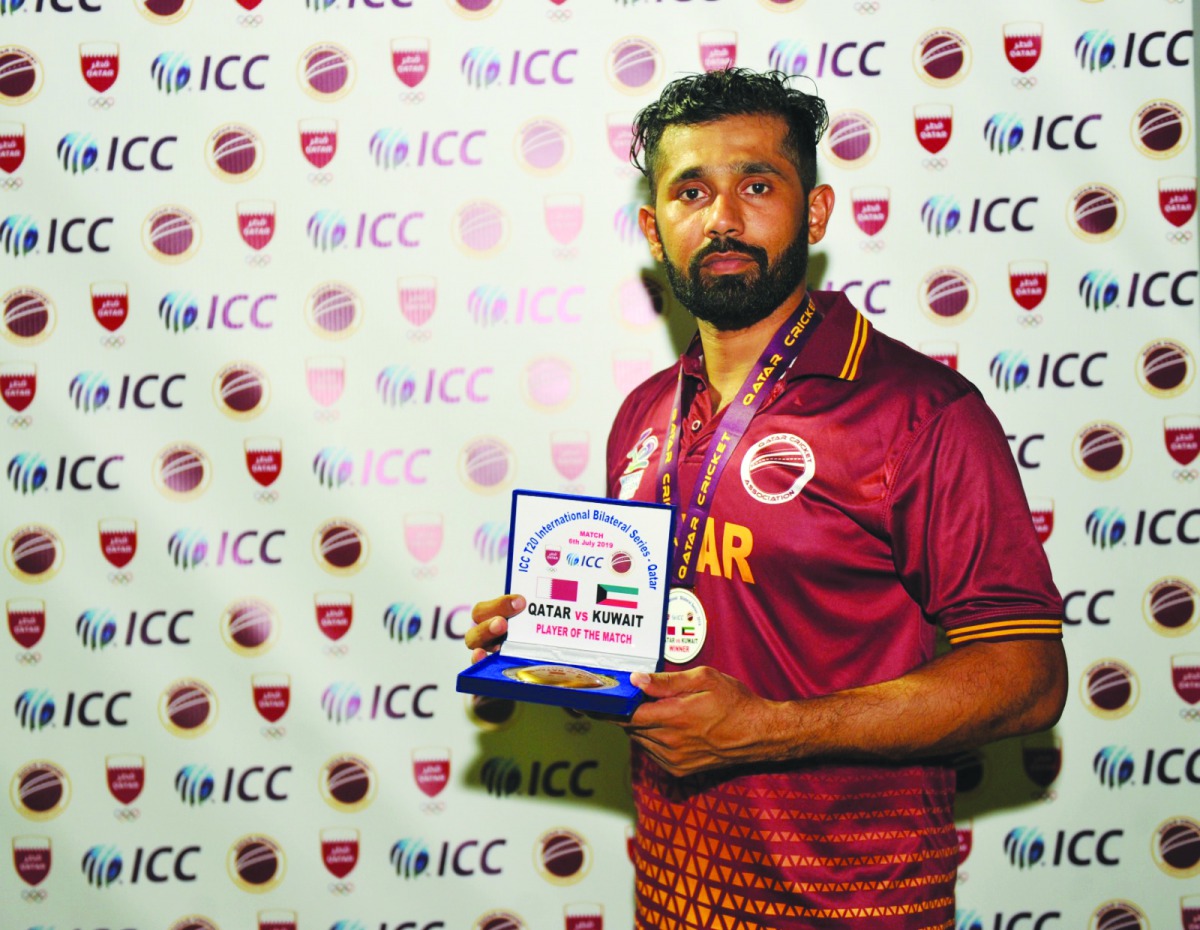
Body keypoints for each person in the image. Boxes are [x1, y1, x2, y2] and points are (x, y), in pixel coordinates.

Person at [467, 69, 1066, 928]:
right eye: (691, 191)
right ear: (654, 228)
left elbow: (1028, 678)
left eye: (757, 185)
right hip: (679, 903)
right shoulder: (643, 414)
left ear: (814, 213)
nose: (723, 218)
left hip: (861, 909)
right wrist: (545, 646)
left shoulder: (917, 411)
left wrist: (769, 727)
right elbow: (656, 661)